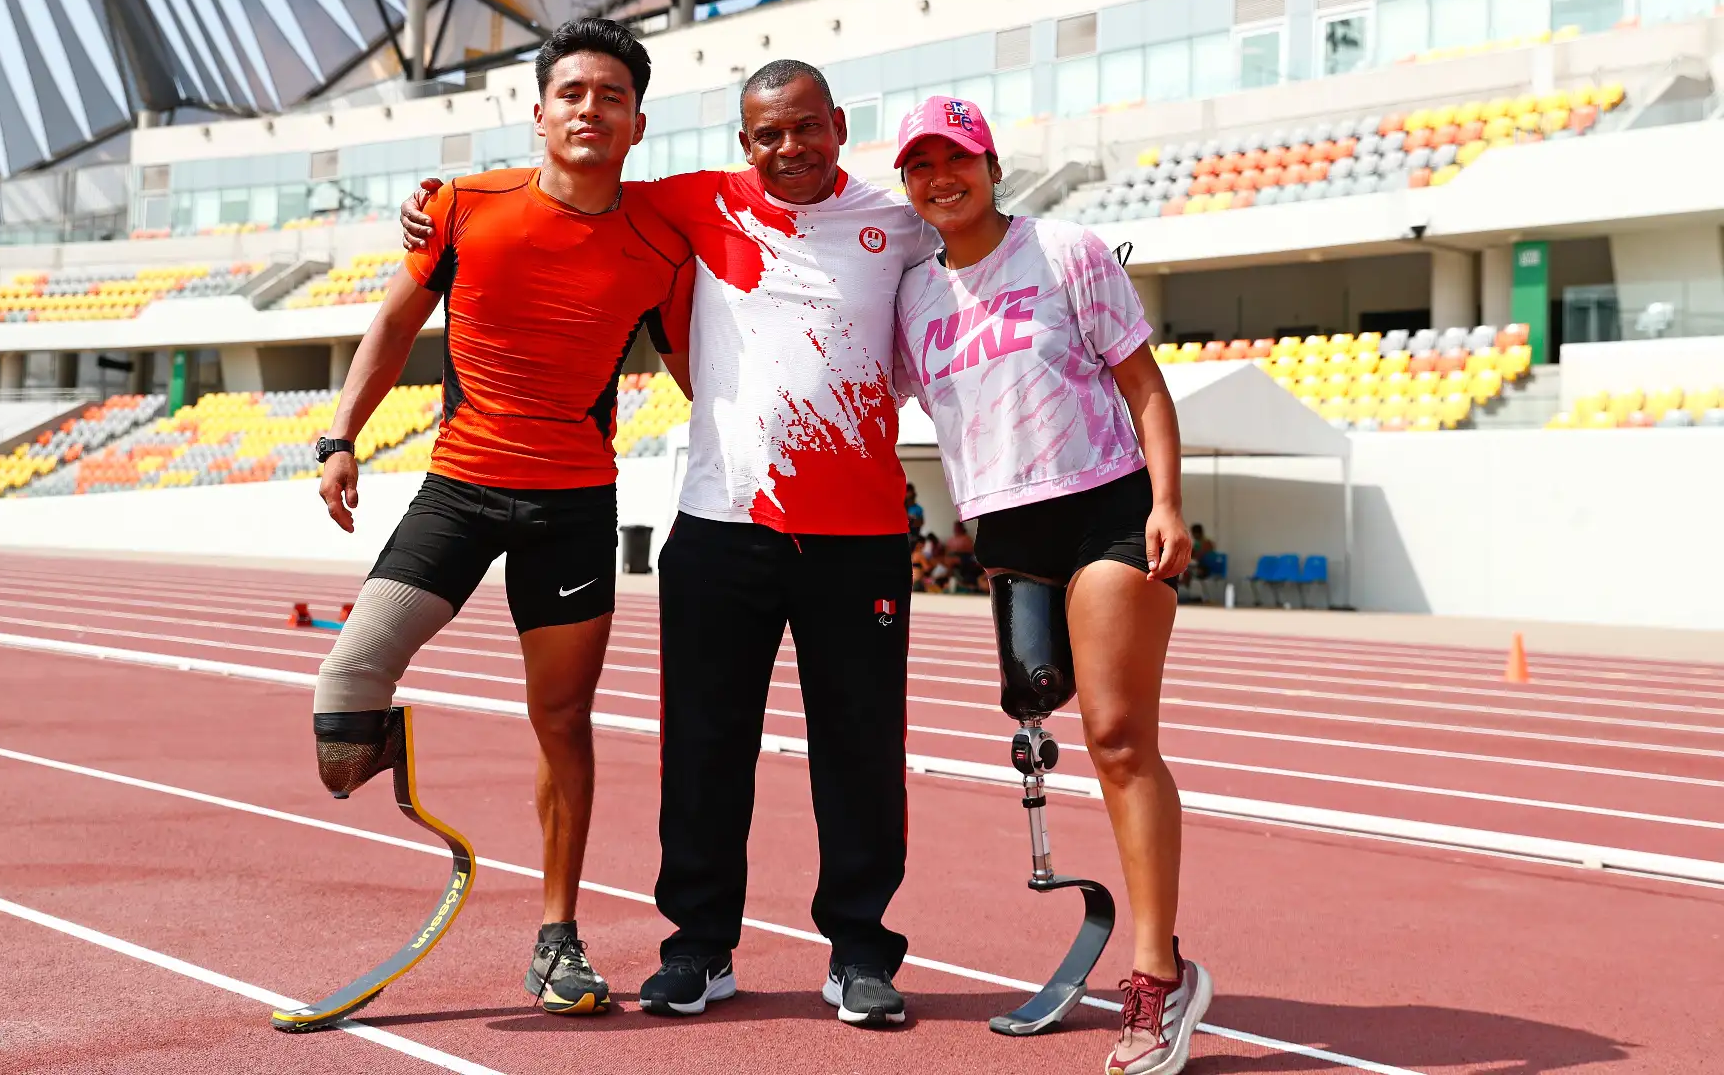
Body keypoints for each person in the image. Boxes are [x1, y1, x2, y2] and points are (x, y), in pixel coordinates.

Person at [402, 58, 935, 1028]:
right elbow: (574, 177)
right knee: (701, 746)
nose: (788, 148)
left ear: (838, 125)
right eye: (766, 134)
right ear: (743, 144)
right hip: (719, 529)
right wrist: (435, 202)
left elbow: (981, 246)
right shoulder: (694, 203)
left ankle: (860, 947)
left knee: (859, 749)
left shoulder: (898, 226)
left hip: (858, 534)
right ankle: (698, 946)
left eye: (805, 127)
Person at [312, 18, 693, 1016]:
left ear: (637, 121)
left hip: (574, 504)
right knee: (346, 692)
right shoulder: (463, 205)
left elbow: (702, 368)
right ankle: (387, 754)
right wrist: (341, 435)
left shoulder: (661, 237)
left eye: (611, 95)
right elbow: (395, 321)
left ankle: (557, 936)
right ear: (539, 110)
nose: (590, 109)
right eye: (572, 92)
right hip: (461, 486)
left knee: (562, 719)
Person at [890, 95, 1211, 1075]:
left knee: (1117, 734)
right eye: (920, 167)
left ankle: (1157, 972)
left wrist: (1166, 502)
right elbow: (877, 400)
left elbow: (1146, 386)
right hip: (1008, 528)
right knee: (1035, 705)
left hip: (1109, 506)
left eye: (958, 159)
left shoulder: (1066, 250)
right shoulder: (912, 297)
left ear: (990, 160)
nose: (941, 178)